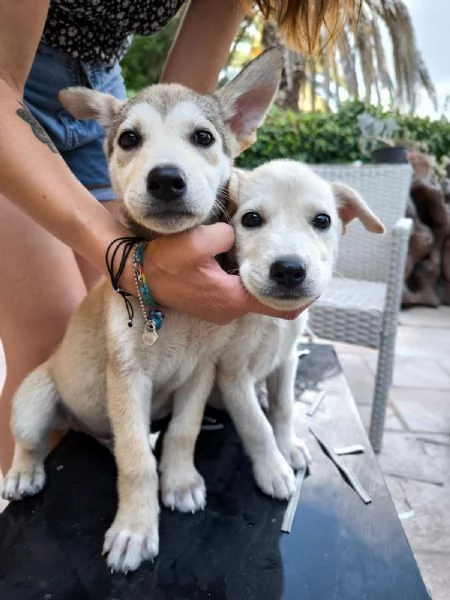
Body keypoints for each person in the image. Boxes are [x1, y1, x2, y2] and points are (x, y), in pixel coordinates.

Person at [0, 0, 358, 473]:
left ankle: (100, 501)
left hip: (105, 91)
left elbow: (193, 102)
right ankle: (27, 537)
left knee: (121, 332)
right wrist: (129, 259)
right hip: (11, 84)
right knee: (52, 344)